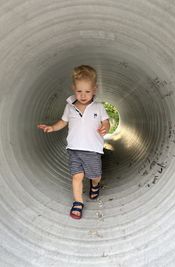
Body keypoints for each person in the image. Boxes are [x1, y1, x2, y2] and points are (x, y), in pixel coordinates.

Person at [37, 65, 110, 219]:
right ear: (73, 88)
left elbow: (106, 122)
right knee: (77, 176)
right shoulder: (70, 107)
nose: (83, 95)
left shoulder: (99, 107)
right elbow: (63, 122)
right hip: (74, 149)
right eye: (79, 91)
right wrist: (52, 128)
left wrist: (105, 127)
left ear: (94, 89)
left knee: (95, 175)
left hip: (92, 149)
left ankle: (95, 184)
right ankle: (78, 202)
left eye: (87, 92)